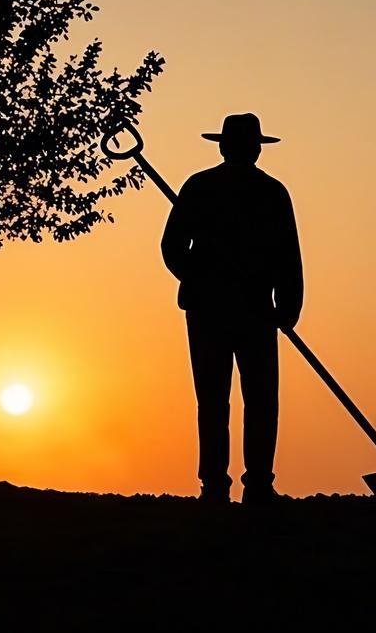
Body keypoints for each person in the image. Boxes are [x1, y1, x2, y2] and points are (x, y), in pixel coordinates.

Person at [161, 113, 303, 505]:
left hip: (248, 310)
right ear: (251, 148)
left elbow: (287, 256)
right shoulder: (252, 191)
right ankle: (227, 485)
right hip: (223, 310)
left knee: (236, 400)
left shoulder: (242, 191)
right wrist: (201, 276)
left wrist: (287, 308)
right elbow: (173, 248)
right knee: (229, 399)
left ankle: (245, 484)